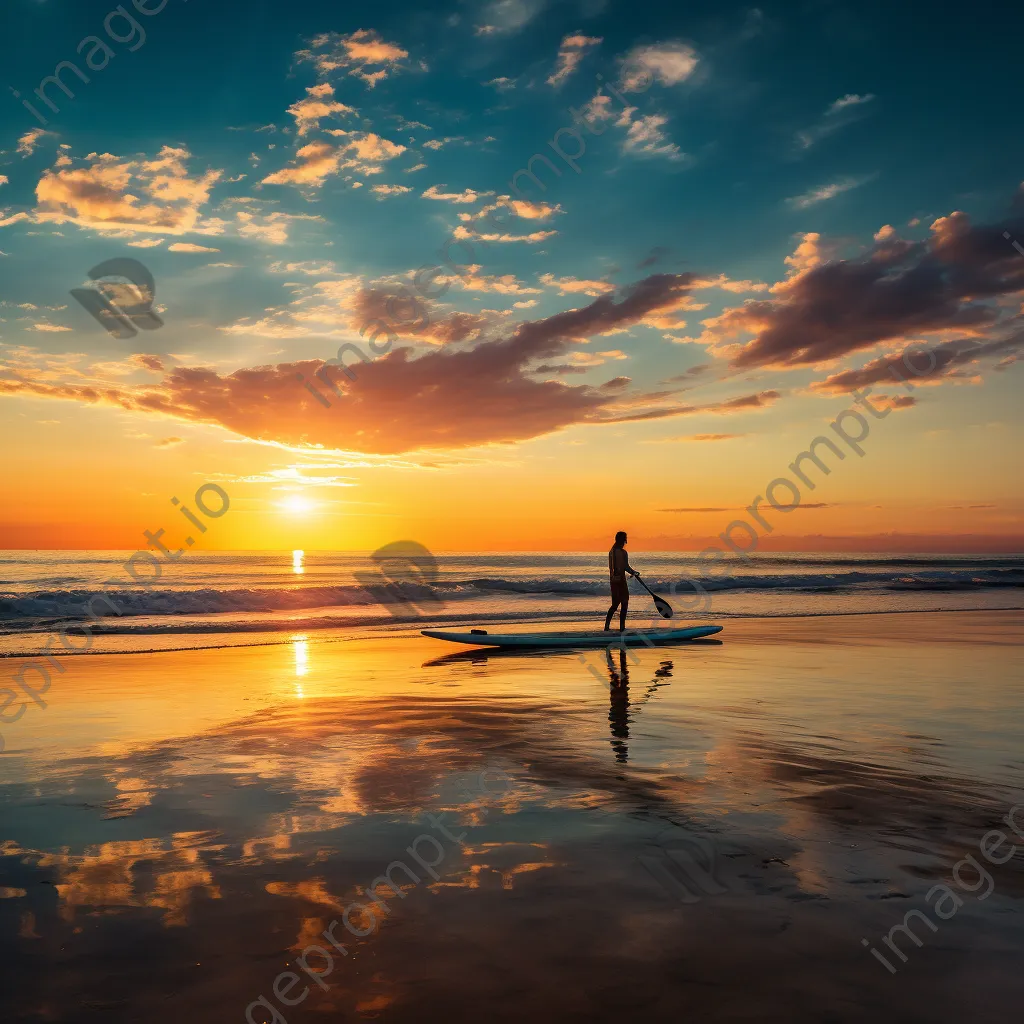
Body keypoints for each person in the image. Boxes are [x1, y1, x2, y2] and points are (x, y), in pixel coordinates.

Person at [604, 530, 639, 631]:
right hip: (621, 581)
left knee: (614, 605)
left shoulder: (611, 551)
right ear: (623, 540)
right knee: (625, 603)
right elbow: (625, 567)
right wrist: (634, 572)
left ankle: (606, 627)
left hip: (613, 581)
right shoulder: (623, 552)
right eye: (625, 540)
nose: (625, 543)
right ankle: (622, 628)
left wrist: (632, 572)